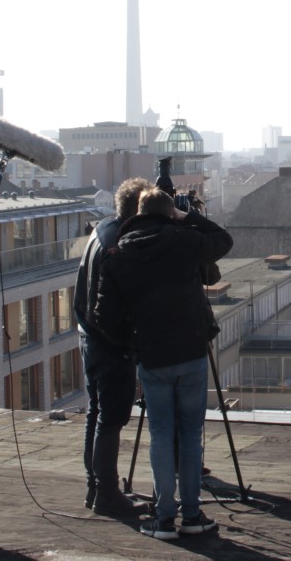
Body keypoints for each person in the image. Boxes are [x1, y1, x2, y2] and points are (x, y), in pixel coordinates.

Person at [95, 187, 233, 541]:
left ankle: (163, 516)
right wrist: (189, 217)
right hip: (190, 352)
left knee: (160, 436)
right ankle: (192, 515)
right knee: (189, 436)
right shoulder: (185, 241)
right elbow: (223, 240)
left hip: (152, 358)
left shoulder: (116, 257)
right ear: (169, 213)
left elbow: (103, 317)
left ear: (137, 214)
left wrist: (132, 342)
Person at [73, 177, 151, 518]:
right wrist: (126, 344)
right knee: (111, 419)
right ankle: (107, 493)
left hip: (89, 338)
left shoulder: (101, 230)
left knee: (96, 415)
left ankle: (96, 487)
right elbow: (112, 306)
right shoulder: (118, 244)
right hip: (110, 345)